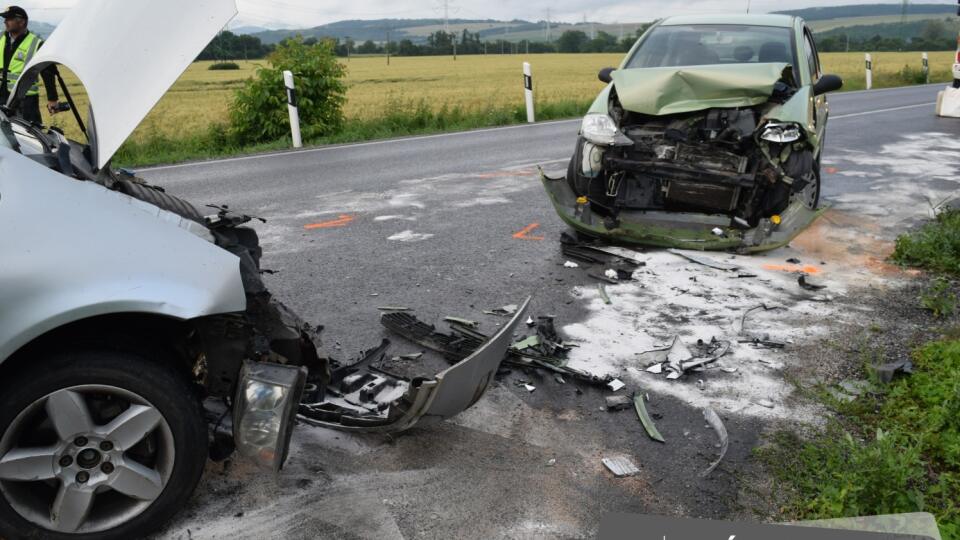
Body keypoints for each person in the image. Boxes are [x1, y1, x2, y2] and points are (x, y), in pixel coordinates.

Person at [0, 6, 58, 124]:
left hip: (26, 100)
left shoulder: (36, 43)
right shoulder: (1, 38)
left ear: (22, 22)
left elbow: (48, 73)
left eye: (9, 19)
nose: (5, 21)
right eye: (5, 19)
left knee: (31, 135)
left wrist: (52, 99)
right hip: (2, 95)